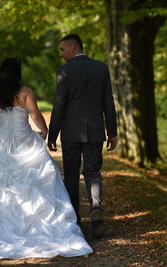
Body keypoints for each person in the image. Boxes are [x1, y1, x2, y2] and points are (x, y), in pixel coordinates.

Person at [0, 58, 92, 259]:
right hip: (25, 142)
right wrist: (45, 132)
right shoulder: (26, 92)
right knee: (36, 183)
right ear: (17, 74)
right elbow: (35, 115)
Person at [48, 34, 118, 239]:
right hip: (95, 131)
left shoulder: (63, 72)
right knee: (93, 173)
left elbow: (60, 105)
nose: (61, 55)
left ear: (72, 48)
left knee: (71, 173)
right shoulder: (101, 68)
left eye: (62, 50)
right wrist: (111, 132)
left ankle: (74, 220)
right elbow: (109, 103)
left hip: (70, 132)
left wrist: (53, 134)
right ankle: (97, 215)